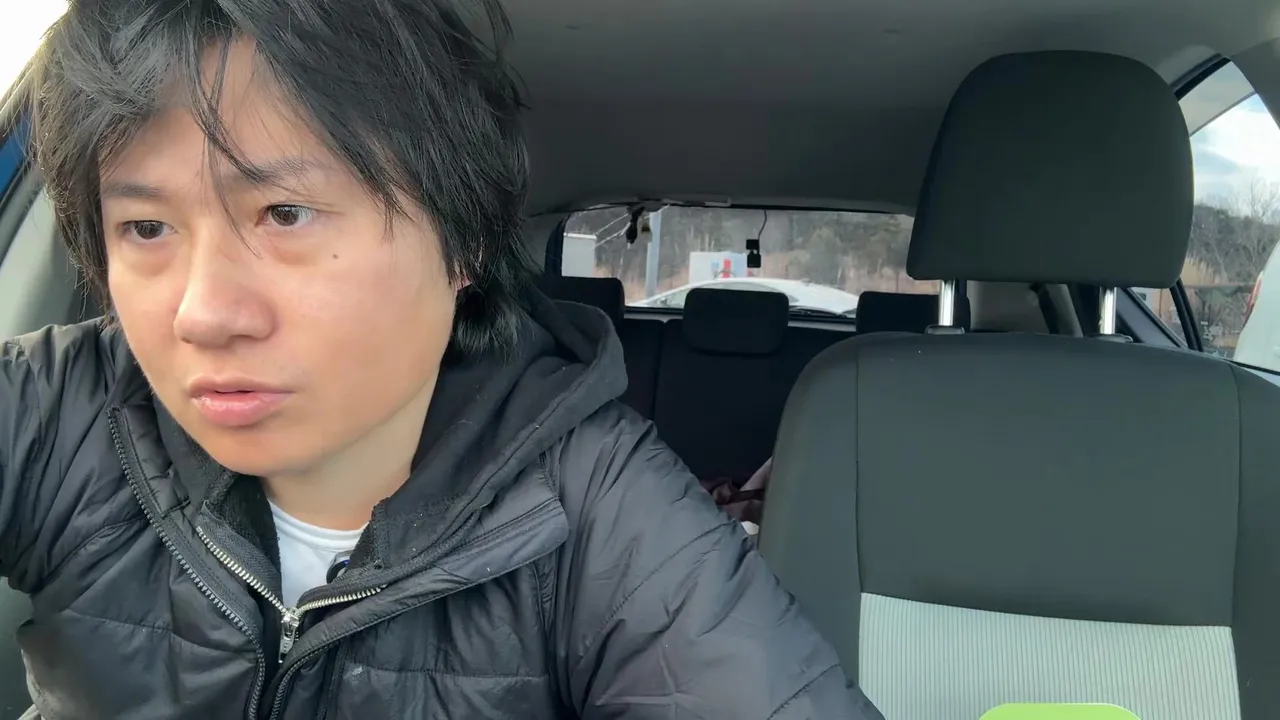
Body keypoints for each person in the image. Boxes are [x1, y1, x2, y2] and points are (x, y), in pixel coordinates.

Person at [0, 0, 884, 717]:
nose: (202, 313)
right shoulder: (65, 408)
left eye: (285, 214)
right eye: (146, 228)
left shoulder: (593, 503)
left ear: (462, 246)